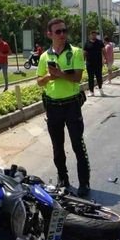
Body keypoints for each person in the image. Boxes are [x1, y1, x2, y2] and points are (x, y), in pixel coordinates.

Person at [36, 18, 91, 197]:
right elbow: (39, 82)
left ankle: (84, 183)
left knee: (77, 144)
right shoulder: (45, 56)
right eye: (58, 32)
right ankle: (63, 179)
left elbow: (77, 78)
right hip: (53, 107)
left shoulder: (75, 52)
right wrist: (48, 78)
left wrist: (59, 74)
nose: (62, 34)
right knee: (57, 147)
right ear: (49, 34)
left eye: (64, 31)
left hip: (72, 105)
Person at [83, 30, 105, 96]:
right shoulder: (87, 43)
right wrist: (83, 61)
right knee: (90, 78)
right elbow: (84, 53)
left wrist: (105, 59)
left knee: (99, 77)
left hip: (98, 63)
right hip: (89, 64)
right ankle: (91, 92)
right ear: (90, 35)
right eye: (92, 34)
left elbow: (104, 51)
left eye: (95, 34)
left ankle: (101, 90)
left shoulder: (100, 42)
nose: (94, 36)